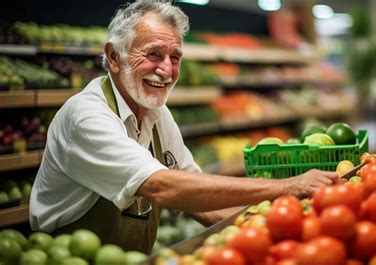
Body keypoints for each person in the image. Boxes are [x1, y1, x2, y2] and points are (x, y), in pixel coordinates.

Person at [29, 0, 339, 253]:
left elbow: (197, 199)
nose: (166, 70)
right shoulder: (86, 116)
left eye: (175, 57)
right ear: (114, 57)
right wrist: (286, 187)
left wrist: (271, 225)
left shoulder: (156, 113)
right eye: (153, 54)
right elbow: (164, 186)